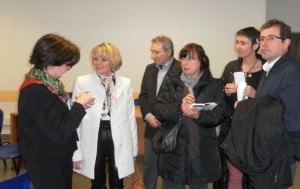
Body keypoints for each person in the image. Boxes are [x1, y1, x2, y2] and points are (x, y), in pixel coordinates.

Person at [18, 33, 95, 189]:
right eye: (67, 64)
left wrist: (78, 107)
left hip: (55, 155)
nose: (68, 68)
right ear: (52, 61)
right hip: (46, 160)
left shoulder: (50, 86)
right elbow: (60, 132)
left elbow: (58, 119)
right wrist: (78, 106)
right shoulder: (35, 90)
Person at [153, 43, 227, 189]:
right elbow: (159, 109)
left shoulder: (213, 85)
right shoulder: (172, 82)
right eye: (183, 58)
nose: (185, 62)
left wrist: (199, 115)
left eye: (191, 58)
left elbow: (220, 114)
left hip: (201, 151)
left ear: (202, 61)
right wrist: (179, 107)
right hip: (174, 152)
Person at [72, 42, 138, 189]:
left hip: (119, 134)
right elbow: (75, 121)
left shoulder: (125, 83)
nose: (98, 63)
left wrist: (133, 150)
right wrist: (76, 152)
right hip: (94, 134)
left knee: (117, 180)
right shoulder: (82, 82)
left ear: (113, 61)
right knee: (97, 180)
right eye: (95, 59)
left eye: (103, 59)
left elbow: (130, 118)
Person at [217, 27, 264, 189]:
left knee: (255, 175)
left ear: (256, 45)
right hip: (232, 129)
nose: (238, 46)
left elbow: (274, 100)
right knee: (233, 173)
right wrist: (227, 92)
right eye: (237, 42)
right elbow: (219, 96)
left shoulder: (266, 69)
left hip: (255, 131)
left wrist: (255, 94)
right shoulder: (232, 67)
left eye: (243, 43)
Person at [256, 19, 300, 185]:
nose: (264, 43)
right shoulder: (271, 69)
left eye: (271, 38)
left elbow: (293, 121)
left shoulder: (291, 72)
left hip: (277, 158)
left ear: (286, 43)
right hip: (265, 154)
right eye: (262, 38)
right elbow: (268, 106)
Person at [139, 35, 180, 189]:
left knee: (172, 167)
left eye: (156, 52)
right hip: (152, 126)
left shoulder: (182, 69)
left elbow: (183, 99)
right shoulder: (149, 69)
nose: (152, 56)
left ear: (168, 51)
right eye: (152, 52)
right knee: (150, 165)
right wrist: (148, 116)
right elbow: (143, 95)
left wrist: (165, 117)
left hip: (173, 127)